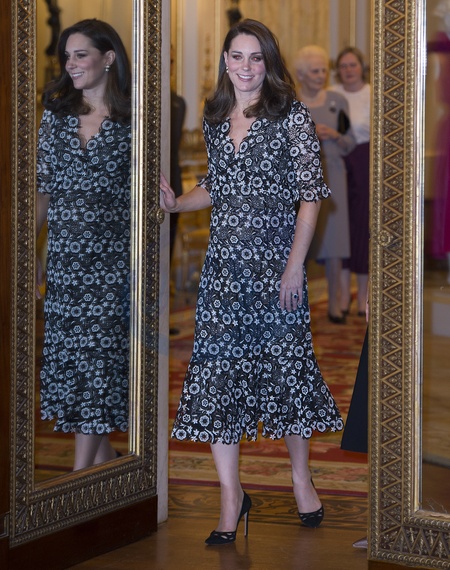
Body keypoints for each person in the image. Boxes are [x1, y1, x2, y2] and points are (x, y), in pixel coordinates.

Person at [160, 19, 343, 545]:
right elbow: (217, 184)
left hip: (277, 270)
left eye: (255, 58)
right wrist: (177, 203)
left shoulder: (291, 116)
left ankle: (301, 478)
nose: (245, 67)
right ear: (225, 61)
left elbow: (310, 196)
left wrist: (294, 266)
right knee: (218, 378)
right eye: (237, 56)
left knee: (286, 373)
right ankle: (230, 496)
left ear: (268, 63)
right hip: (224, 273)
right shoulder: (215, 115)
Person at [35, 19, 132, 471]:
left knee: (98, 361)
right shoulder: (54, 117)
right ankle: (105, 462)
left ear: (108, 57)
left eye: (81, 55)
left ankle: (79, 477)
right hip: (64, 263)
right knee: (74, 362)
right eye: (67, 56)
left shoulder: (134, 121)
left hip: (113, 264)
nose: (71, 64)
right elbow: (41, 190)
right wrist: (30, 254)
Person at [294, 45, 356, 324]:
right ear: (300, 74)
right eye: (315, 71)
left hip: (334, 175)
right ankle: (295, 306)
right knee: (299, 243)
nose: (321, 75)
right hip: (299, 181)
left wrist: (335, 136)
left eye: (323, 70)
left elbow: (350, 140)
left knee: (335, 242)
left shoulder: (337, 101)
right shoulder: (291, 103)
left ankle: (334, 305)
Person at [330, 47, 371, 315]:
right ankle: (343, 293)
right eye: (343, 66)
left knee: (362, 226)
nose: (348, 70)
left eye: (352, 64)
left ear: (361, 67)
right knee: (340, 228)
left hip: (365, 162)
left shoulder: (372, 93)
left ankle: (363, 295)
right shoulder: (332, 94)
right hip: (336, 163)